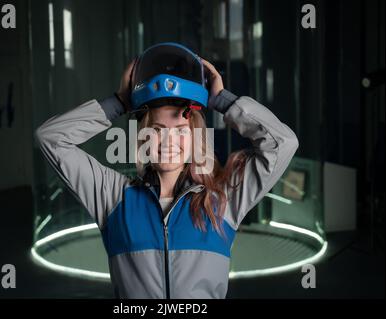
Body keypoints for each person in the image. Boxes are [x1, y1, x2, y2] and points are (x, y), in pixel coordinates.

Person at [34, 42, 299, 299]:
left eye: (181, 131)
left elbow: (283, 143)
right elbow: (51, 138)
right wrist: (119, 102)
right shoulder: (112, 198)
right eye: (157, 131)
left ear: (196, 137)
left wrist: (222, 101)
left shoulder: (223, 200)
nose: (169, 142)